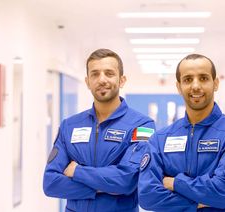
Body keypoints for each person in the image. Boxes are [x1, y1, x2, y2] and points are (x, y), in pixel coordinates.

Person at [138, 54, 225, 211]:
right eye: (187, 79)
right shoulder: (160, 139)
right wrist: (197, 204)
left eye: (203, 78)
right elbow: (148, 196)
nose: (195, 86)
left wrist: (175, 183)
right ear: (179, 87)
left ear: (215, 83)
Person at [43, 48, 155, 212]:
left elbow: (127, 180)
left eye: (109, 73)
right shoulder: (69, 126)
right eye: (95, 74)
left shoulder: (142, 125)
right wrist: (101, 188)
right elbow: (51, 183)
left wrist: (77, 171)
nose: (102, 79)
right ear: (88, 82)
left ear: (122, 80)